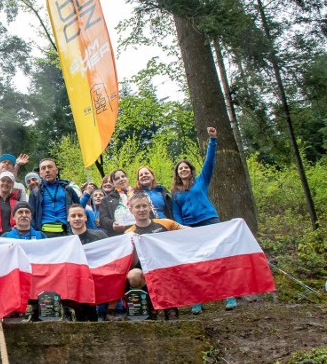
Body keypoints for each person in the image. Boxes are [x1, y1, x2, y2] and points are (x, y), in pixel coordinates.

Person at [171, 126, 236, 313]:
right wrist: (180, 228)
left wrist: (213, 140)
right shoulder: (175, 192)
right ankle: (198, 300)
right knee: (195, 263)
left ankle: (229, 296)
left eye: (186, 167)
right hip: (190, 228)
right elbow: (176, 213)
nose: (183, 170)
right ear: (177, 173)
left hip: (209, 221)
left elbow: (209, 162)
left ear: (191, 171)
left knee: (218, 258)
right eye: (180, 168)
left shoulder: (201, 181)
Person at [125, 192, 187, 320]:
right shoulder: (128, 233)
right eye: (137, 207)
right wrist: (134, 247)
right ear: (131, 210)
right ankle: (150, 308)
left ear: (150, 207)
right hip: (144, 271)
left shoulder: (165, 224)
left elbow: (191, 233)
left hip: (166, 269)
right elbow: (130, 264)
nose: (141, 210)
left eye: (144, 206)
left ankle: (170, 308)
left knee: (163, 272)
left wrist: (216, 230)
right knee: (133, 275)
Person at [28, 158, 80, 237]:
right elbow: (31, 216)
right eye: (43, 168)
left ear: (56, 170)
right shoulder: (35, 192)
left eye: (50, 167)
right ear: (40, 174)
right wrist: (36, 234)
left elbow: (79, 208)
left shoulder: (68, 189)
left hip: (66, 232)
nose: (47, 170)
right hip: (44, 233)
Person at [98, 168, 134, 236]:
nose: (121, 179)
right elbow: (103, 219)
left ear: (127, 179)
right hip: (120, 235)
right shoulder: (106, 200)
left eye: (123, 176)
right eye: (117, 178)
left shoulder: (138, 193)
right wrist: (112, 224)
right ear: (113, 183)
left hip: (139, 231)